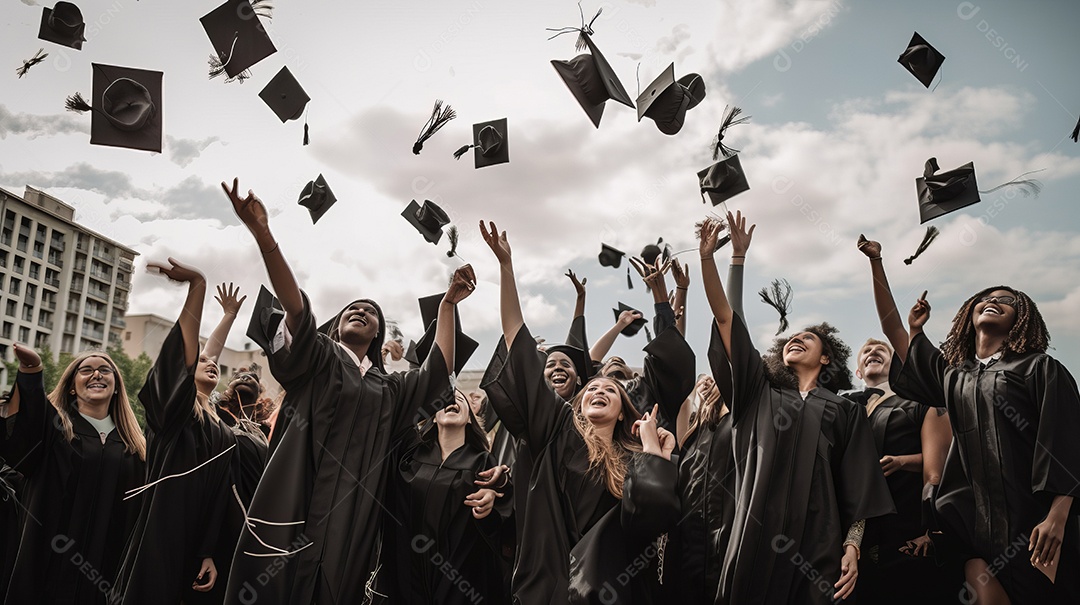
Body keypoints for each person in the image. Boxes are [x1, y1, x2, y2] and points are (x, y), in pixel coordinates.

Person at [220, 178, 472, 605]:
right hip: (296, 497)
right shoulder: (319, 358)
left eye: (371, 311)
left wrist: (447, 305)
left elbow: (438, 370)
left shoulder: (390, 387)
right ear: (336, 324)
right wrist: (264, 235)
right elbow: (296, 307)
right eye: (353, 307)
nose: (361, 309)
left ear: (376, 334)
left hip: (353, 516)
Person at [478, 220, 681, 604]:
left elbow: (653, 522)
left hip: (618, 592)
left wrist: (656, 454)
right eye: (592, 387)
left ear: (625, 411)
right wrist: (506, 268)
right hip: (551, 586)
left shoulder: (637, 457)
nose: (600, 389)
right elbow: (517, 343)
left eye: (611, 389)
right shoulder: (556, 430)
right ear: (578, 403)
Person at [700, 212, 894, 604]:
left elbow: (857, 484)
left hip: (818, 543)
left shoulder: (844, 410)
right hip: (754, 536)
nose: (796, 340)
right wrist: (723, 259)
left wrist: (852, 548)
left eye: (808, 338)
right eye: (790, 338)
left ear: (827, 358)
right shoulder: (757, 395)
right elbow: (727, 318)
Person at [892, 286, 1080, 604]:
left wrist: (1056, 518)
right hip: (973, 531)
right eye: (986, 298)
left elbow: (1067, 441)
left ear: (1022, 317)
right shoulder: (957, 376)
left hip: (1033, 526)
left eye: (1006, 299)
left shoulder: (1040, 369)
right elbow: (911, 354)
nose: (993, 300)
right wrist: (914, 328)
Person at [112, 258, 237, 603]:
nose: (211, 362)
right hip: (163, 528)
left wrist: (208, 550)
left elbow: (219, 493)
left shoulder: (220, 425)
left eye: (215, 364)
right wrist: (198, 285)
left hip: (198, 539)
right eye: (202, 361)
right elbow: (186, 353)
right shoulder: (176, 413)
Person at [851, 236, 956, 603]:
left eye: (881, 349)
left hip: (908, 527)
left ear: (901, 365)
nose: (874, 351)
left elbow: (941, 465)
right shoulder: (844, 406)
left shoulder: (922, 401)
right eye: (866, 351)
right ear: (856, 367)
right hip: (859, 537)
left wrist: (876, 263)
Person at [0, 344, 146, 605]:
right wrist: (31, 370)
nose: (97, 374)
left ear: (116, 386)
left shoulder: (135, 448)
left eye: (105, 370)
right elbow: (23, 436)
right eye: (86, 370)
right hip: (48, 563)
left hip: (107, 572)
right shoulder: (54, 431)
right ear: (71, 386)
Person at [383, 388, 512, 604]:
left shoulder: (483, 463)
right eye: (445, 399)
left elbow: (501, 521)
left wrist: (496, 494)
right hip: (407, 570)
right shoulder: (409, 456)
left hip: (461, 576)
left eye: (460, 399)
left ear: (470, 420)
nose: (453, 399)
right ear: (433, 416)